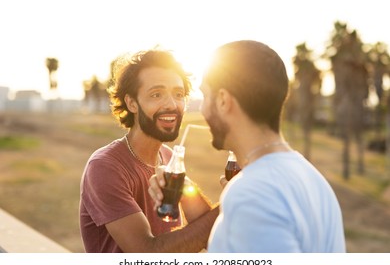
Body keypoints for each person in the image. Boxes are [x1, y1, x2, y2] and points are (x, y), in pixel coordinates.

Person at [149, 40, 346, 252]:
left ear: (223, 100)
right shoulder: (313, 180)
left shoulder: (251, 195)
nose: (203, 109)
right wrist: (183, 191)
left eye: (206, 95)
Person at [79, 48, 219, 253]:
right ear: (132, 103)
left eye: (178, 94)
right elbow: (147, 254)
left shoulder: (169, 157)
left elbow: (209, 236)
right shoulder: (105, 166)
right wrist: (229, 206)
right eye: (156, 94)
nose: (171, 104)